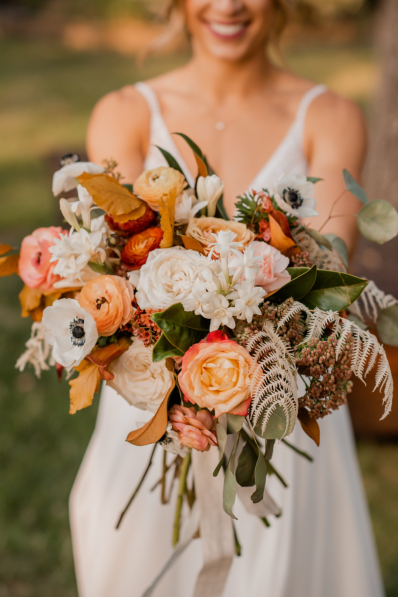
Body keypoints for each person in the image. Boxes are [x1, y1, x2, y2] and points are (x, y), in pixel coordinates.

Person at [69, 1, 385, 596]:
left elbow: (326, 279)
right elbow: (111, 265)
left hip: (283, 407)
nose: (230, 4)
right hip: (153, 410)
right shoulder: (125, 113)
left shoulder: (332, 115)